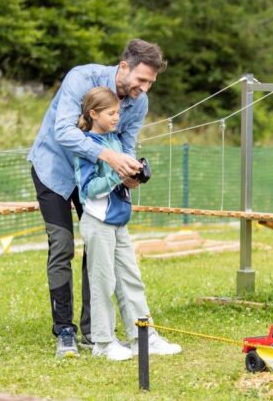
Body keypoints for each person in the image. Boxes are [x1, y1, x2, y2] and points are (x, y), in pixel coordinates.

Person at [28, 39, 165, 358]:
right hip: (55, 169)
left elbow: (127, 144)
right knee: (62, 245)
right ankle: (64, 330)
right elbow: (63, 131)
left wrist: (128, 169)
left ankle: (93, 333)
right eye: (141, 80)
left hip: (96, 177)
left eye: (150, 83)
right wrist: (108, 155)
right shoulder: (82, 78)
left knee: (99, 246)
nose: (144, 88)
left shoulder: (138, 102)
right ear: (124, 67)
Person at [74, 87, 181, 361]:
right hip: (98, 223)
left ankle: (142, 337)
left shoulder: (116, 140)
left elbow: (120, 178)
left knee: (131, 280)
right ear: (93, 114)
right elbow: (88, 190)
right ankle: (103, 342)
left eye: (118, 113)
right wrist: (117, 174)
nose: (116, 118)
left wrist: (132, 177)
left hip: (119, 222)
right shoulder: (86, 146)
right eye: (111, 113)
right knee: (103, 282)